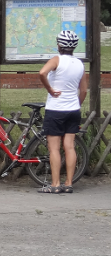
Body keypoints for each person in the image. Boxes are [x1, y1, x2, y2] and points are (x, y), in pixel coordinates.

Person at [37, 29, 87, 194]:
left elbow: (42, 73)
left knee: (54, 149)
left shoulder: (56, 60)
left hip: (56, 109)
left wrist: (50, 90)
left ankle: (55, 184)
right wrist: (76, 104)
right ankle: (69, 183)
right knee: (70, 147)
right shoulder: (80, 64)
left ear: (60, 45)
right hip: (73, 109)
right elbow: (84, 91)